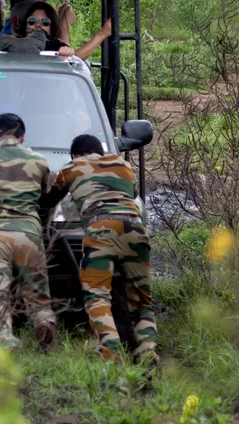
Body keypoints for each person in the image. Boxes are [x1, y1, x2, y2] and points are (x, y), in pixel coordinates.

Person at [39, 134, 157, 365]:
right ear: (100, 152)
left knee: (97, 296)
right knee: (141, 300)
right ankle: (147, 353)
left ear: (74, 154)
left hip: (101, 229)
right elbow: (131, 193)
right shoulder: (123, 165)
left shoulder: (72, 167)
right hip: (135, 228)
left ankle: (110, 353)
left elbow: (50, 199)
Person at [0, 113, 56, 350]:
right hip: (28, 235)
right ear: (22, 136)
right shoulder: (39, 161)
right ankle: (43, 320)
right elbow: (45, 195)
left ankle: (6, 337)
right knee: (37, 289)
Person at [0, 1, 112, 60]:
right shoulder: (11, 43)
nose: (38, 25)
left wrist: (102, 34)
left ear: (51, 28)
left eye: (45, 22)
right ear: (25, 25)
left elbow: (77, 58)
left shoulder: (56, 45)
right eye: (32, 21)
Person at [0, 0, 75, 44]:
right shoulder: (12, 34)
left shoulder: (14, 25)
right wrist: (64, 25)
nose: (45, 8)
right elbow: (58, 57)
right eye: (42, 3)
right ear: (25, 8)